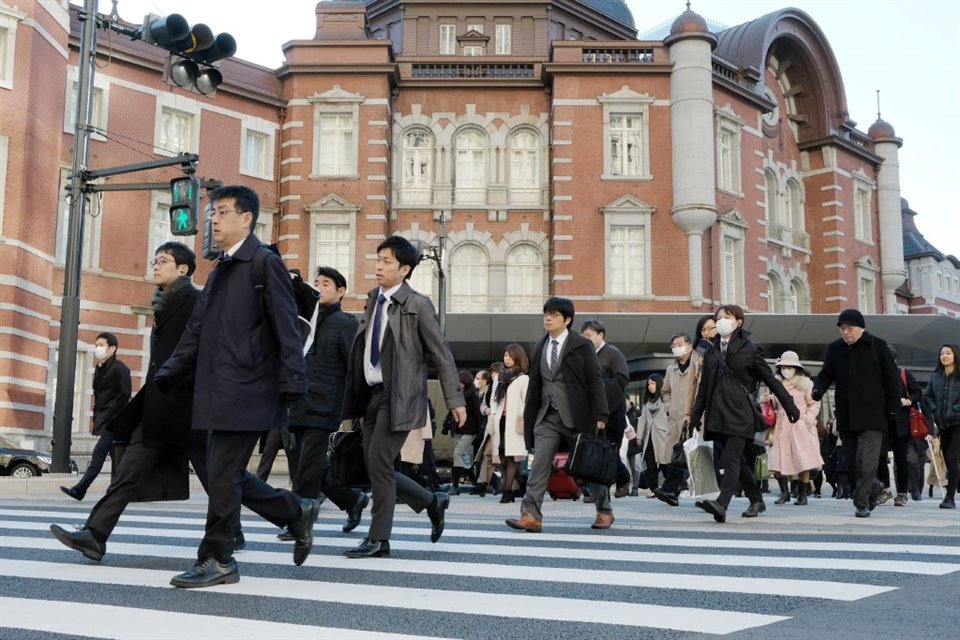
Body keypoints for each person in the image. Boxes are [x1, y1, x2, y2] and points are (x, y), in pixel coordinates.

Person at [153, 185, 319, 588]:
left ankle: (218, 559)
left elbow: (286, 326)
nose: (213, 219)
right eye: (213, 212)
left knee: (223, 475)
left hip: (249, 387)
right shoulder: (220, 268)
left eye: (222, 212)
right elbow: (197, 329)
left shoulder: (264, 263)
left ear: (246, 219)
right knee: (224, 473)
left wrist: (293, 382)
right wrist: (170, 370)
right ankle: (295, 511)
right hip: (216, 387)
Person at [51, 243, 213, 560]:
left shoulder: (196, 301)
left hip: (187, 407)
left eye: (163, 261)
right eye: (155, 260)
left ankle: (283, 513)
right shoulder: (162, 303)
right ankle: (95, 535)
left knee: (221, 477)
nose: (155, 265)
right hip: (160, 406)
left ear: (183, 269)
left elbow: (202, 353)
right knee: (126, 474)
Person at [341, 235, 464, 558]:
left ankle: (378, 539)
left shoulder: (417, 304)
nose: (379, 266)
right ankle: (431, 501)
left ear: (405, 269)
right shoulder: (373, 299)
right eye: (378, 260)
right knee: (375, 466)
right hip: (371, 396)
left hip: (401, 396)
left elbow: (441, 353)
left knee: (379, 462)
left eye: (387, 262)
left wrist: (455, 400)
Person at [505, 297, 609, 533]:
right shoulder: (539, 345)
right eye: (546, 314)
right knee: (539, 464)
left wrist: (601, 414)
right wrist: (530, 416)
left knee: (588, 465)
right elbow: (536, 386)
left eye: (553, 315)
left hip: (577, 415)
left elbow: (595, 381)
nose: (548, 318)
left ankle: (604, 510)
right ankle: (531, 515)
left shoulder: (581, 346)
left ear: (567, 319)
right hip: (547, 416)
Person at [689, 304, 800, 523]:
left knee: (731, 457)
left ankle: (722, 503)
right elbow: (703, 388)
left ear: (738, 321)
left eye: (726, 317)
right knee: (736, 461)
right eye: (718, 317)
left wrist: (790, 406)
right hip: (718, 415)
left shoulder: (751, 348)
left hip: (741, 413)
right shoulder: (711, 351)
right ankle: (756, 499)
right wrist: (695, 415)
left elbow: (769, 379)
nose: (721, 320)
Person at [284, 266, 369, 538]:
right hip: (296, 401)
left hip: (325, 405)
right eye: (317, 282)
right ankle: (352, 500)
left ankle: (299, 523)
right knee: (305, 468)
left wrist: (358, 408)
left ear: (340, 291)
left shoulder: (346, 323)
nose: (319, 287)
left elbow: (355, 367)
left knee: (308, 468)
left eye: (326, 284)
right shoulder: (304, 321)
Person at [811, 309, 900, 518]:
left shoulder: (877, 346)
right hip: (847, 415)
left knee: (866, 462)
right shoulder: (835, 349)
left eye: (849, 328)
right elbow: (825, 375)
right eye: (842, 328)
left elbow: (891, 379)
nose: (845, 332)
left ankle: (861, 504)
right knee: (851, 463)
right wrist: (817, 390)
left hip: (873, 415)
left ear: (861, 328)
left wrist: (893, 407)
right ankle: (876, 487)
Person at [60, 332, 131, 501]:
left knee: (99, 455)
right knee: (118, 459)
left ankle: (80, 490)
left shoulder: (120, 368)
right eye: (96, 345)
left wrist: (109, 414)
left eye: (101, 345)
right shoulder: (100, 369)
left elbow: (124, 395)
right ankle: (120, 492)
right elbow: (99, 395)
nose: (97, 348)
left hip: (115, 422)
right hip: (106, 421)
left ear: (112, 348)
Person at [580, 320, 632, 498]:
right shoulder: (583, 354)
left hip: (612, 411)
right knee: (593, 451)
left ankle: (614, 485)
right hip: (590, 411)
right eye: (584, 335)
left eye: (589, 335)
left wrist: (598, 385)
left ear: (601, 335)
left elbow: (622, 379)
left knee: (608, 452)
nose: (586, 339)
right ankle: (603, 488)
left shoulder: (612, 353)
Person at [765, 350, 822, 506]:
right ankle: (785, 493)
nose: (787, 370)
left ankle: (802, 494)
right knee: (777, 460)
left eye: (790, 367)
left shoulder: (806, 384)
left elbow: (815, 403)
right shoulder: (776, 384)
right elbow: (776, 405)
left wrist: (807, 419)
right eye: (784, 366)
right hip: (781, 426)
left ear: (797, 368)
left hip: (799, 425)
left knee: (802, 460)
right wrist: (769, 400)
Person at [655, 332, 701, 506]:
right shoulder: (670, 369)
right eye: (673, 346)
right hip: (676, 419)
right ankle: (671, 490)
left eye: (680, 344)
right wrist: (669, 408)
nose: (676, 348)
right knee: (677, 456)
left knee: (698, 456)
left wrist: (695, 411)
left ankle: (673, 490)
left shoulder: (699, 364)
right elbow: (665, 392)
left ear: (690, 346)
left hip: (696, 418)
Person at [489, 344, 530, 504]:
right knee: (504, 458)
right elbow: (493, 399)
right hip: (501, 421)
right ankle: (523, 484)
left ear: (517, 357)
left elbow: (526, 401)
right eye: (505, 355)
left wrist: (525, 421)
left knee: (511, 458)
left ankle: (507, 492)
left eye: (510, 356)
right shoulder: (500, 377)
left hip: (515, 422)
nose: (506, 358)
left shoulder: (523, 378)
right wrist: (493, 415)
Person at [922, 344, 960, 509]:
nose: (944, 356)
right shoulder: (936, 375)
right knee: (949, 459)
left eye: (948, 353)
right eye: (942, 353)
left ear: (955, 355)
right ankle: (952, 492)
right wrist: (935, 409)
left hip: (959, 422)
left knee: (952, 457)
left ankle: (950, 498)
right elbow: (928, 396)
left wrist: (955, 409)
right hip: (944, 424)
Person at [886, 347, 923, 507]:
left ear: (894, 360)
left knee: (901, 459)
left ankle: (902, 493)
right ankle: (884, 490)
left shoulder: (903, 373)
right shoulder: (876, 375)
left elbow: (917, 392)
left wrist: (909, 401)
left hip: (901, 422)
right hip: (882, 421)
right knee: (879, 457)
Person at [446, 370, 482, 495]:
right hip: (457, 429)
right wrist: (447, 425)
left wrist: (479, 432)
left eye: (461, 382)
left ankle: (455, 485)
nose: (459, 384)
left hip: (469, 430)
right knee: (465, 458)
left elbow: (478, 415)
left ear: (466, 382)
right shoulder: (456, 395)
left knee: (457, 454)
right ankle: (480, 481)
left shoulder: (473, 397)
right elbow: (451, 411)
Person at [636, 374, 667, 498]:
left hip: (663, 435)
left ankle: (675, 485)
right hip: (649, 436)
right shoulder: (647, 402)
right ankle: (653, 488)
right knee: (650, 462)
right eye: (649, 384)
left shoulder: (665, 398)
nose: (650, 386)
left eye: (653, 384)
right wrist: (639, 436)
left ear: (659, 384)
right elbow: (642, 419)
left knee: (665, 462)